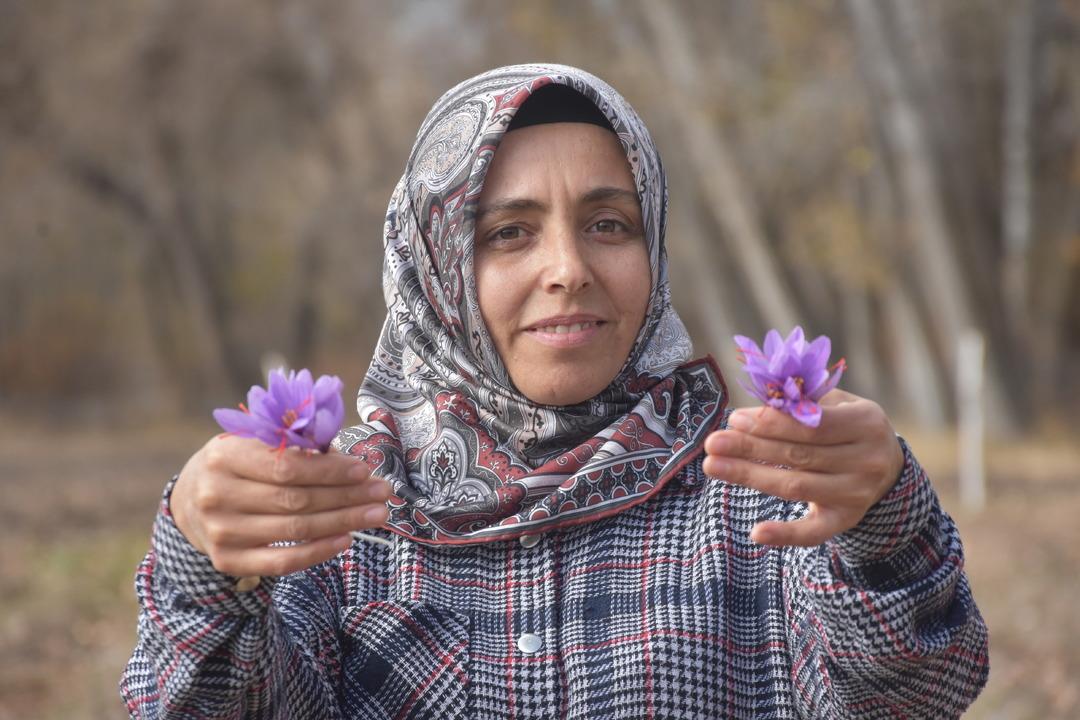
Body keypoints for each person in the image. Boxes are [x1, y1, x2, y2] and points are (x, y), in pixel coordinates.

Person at [121, 63, 988, 719]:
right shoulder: (335, 511)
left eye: (609, 224)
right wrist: (201, 565)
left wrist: (883, 521)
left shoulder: (762, 487)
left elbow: (915, 696)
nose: (569, 269)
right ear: (435, 268)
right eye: (509, 232)